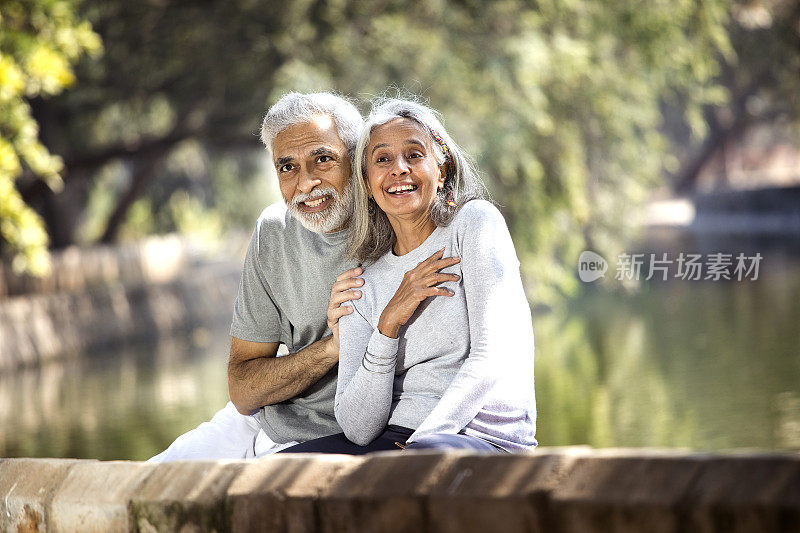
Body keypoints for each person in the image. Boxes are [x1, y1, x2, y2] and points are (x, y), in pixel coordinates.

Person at [278, 98, 537, 454]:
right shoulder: (361, 279)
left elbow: (491, 359)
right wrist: (387, 326)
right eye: (382, 159)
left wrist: (421, 443)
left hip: (475, 438)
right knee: (273, 475)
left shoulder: (475, 223)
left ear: (441, 169)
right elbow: (357, 428)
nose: (399, 169)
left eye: (414, 155)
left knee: (413, 470)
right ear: (368, 184)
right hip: (396, 442)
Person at [149, 92, 365, 461]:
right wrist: (331, 349)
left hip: (335, 439)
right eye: (287, 167)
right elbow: (244, 391)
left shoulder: (396, 221)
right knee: (144, 483)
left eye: (323, 159)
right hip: (261, 422)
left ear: (356, 159)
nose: (306, 183)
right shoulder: (274, 230)